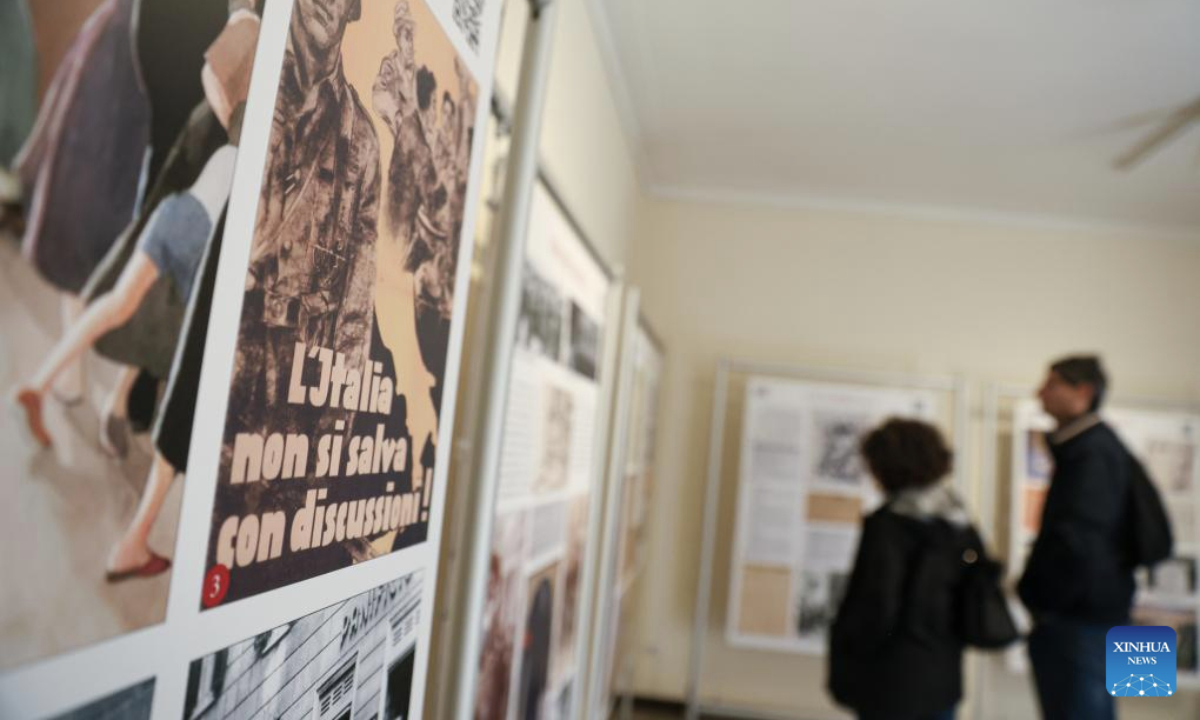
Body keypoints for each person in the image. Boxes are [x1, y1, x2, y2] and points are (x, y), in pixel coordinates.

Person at [10, 12, 259, 580]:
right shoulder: (260, 51)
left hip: (184, 206)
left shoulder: (241, 54)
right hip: (205, 227)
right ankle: (135, 533)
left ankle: (41, 381)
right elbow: (215, 77)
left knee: (121, 305)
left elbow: (211, 76)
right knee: (182, 359)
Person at [829, 418, 977, 720]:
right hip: (941, 673)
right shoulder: (957, 520)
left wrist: (848, 649)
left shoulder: (888, 527)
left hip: (891, 676)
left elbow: (876, 606)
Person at [1018, 355, 1135, 720]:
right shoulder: (1098, 447)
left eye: (1052, 384)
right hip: (1093, 616)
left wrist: (1045, 602)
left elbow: (1079, 541)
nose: (1040, 393)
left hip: (1080, 621)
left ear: (1083, 392)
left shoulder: (1091, 452)